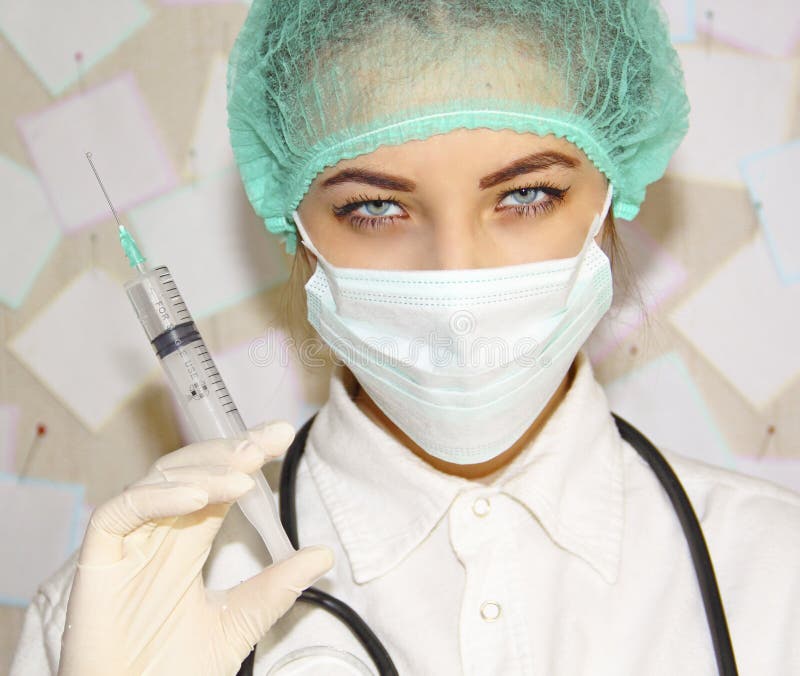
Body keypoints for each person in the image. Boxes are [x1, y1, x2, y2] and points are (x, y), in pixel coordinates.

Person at [11, 0, 800, 674]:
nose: (454, 280)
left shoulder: (774, 572)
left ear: (613, 196)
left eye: (527, 194)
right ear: (295, 225)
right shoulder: (123, 613)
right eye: (375, 208)